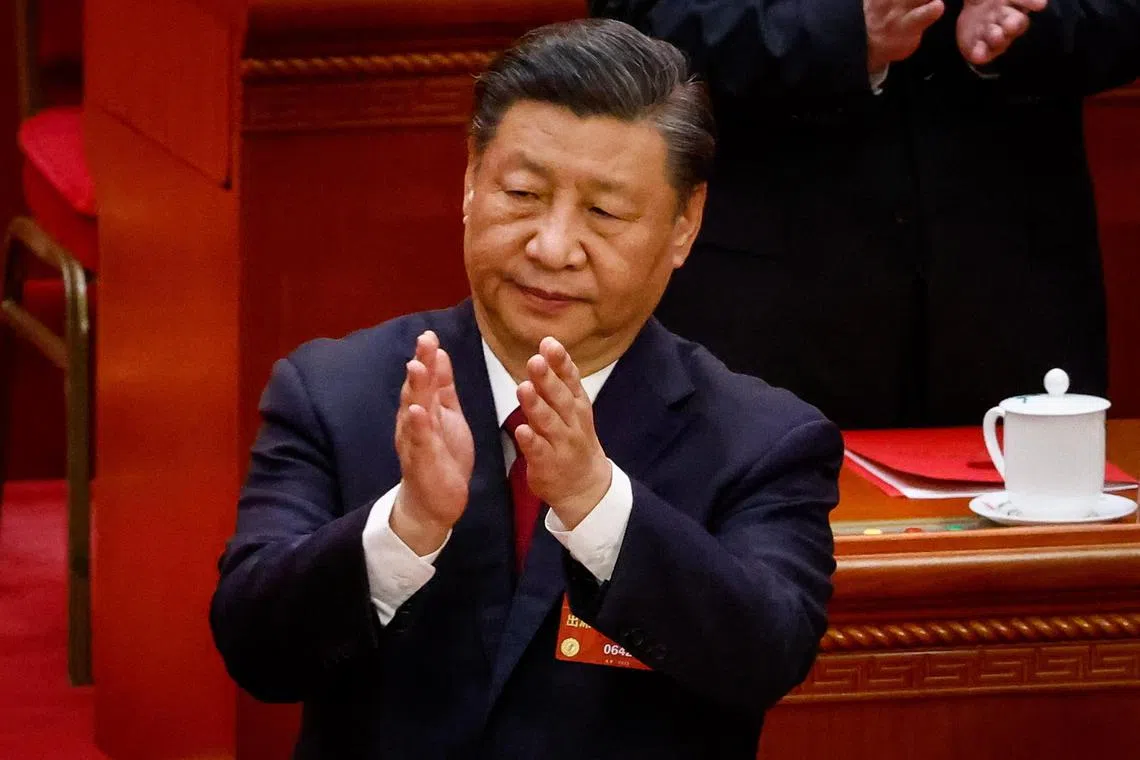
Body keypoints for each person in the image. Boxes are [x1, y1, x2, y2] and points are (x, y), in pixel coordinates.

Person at [210, 19, 843, 760]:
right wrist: (406, 526)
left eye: (604, 213)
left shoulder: (762, 440)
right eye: (522, 193)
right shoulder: (335, 391)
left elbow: (766, 655)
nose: (551, 246)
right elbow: (254, 650)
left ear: (684, 224)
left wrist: (596, 502)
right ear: (471, 184)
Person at [591, 0, 1140, 429]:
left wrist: (1029, 22)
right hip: (777, 305)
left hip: (1013, 294)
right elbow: (641, 22)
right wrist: (842, 32)